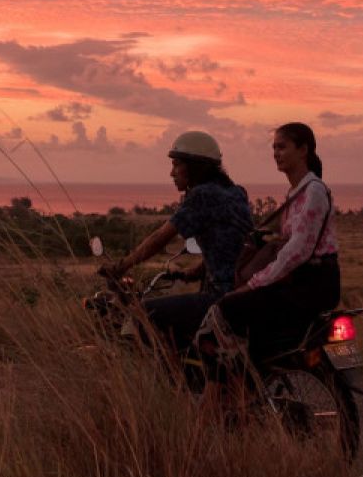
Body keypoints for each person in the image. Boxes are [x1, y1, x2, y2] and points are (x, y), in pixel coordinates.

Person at [101, 131, 252, 352]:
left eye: (176, 165)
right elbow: (232, 242)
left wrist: (122, 265)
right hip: (241, 291)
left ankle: (173, 381)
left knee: (143, 313)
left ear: (194, 166)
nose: (172, 172)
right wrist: (197, 270)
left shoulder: (202, 195)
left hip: (221, 296)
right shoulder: (236, 192)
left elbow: (160, 238)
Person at [203, 122, 340, 360]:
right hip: (301, 280)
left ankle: (233, 386)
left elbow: (297, 250)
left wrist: (255, 282)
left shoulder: (314, 191)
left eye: (282, 147)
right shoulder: (296, 192)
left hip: (313, 284)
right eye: (274, 148)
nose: (276, 153)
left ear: (303, 150)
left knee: (228, 308)